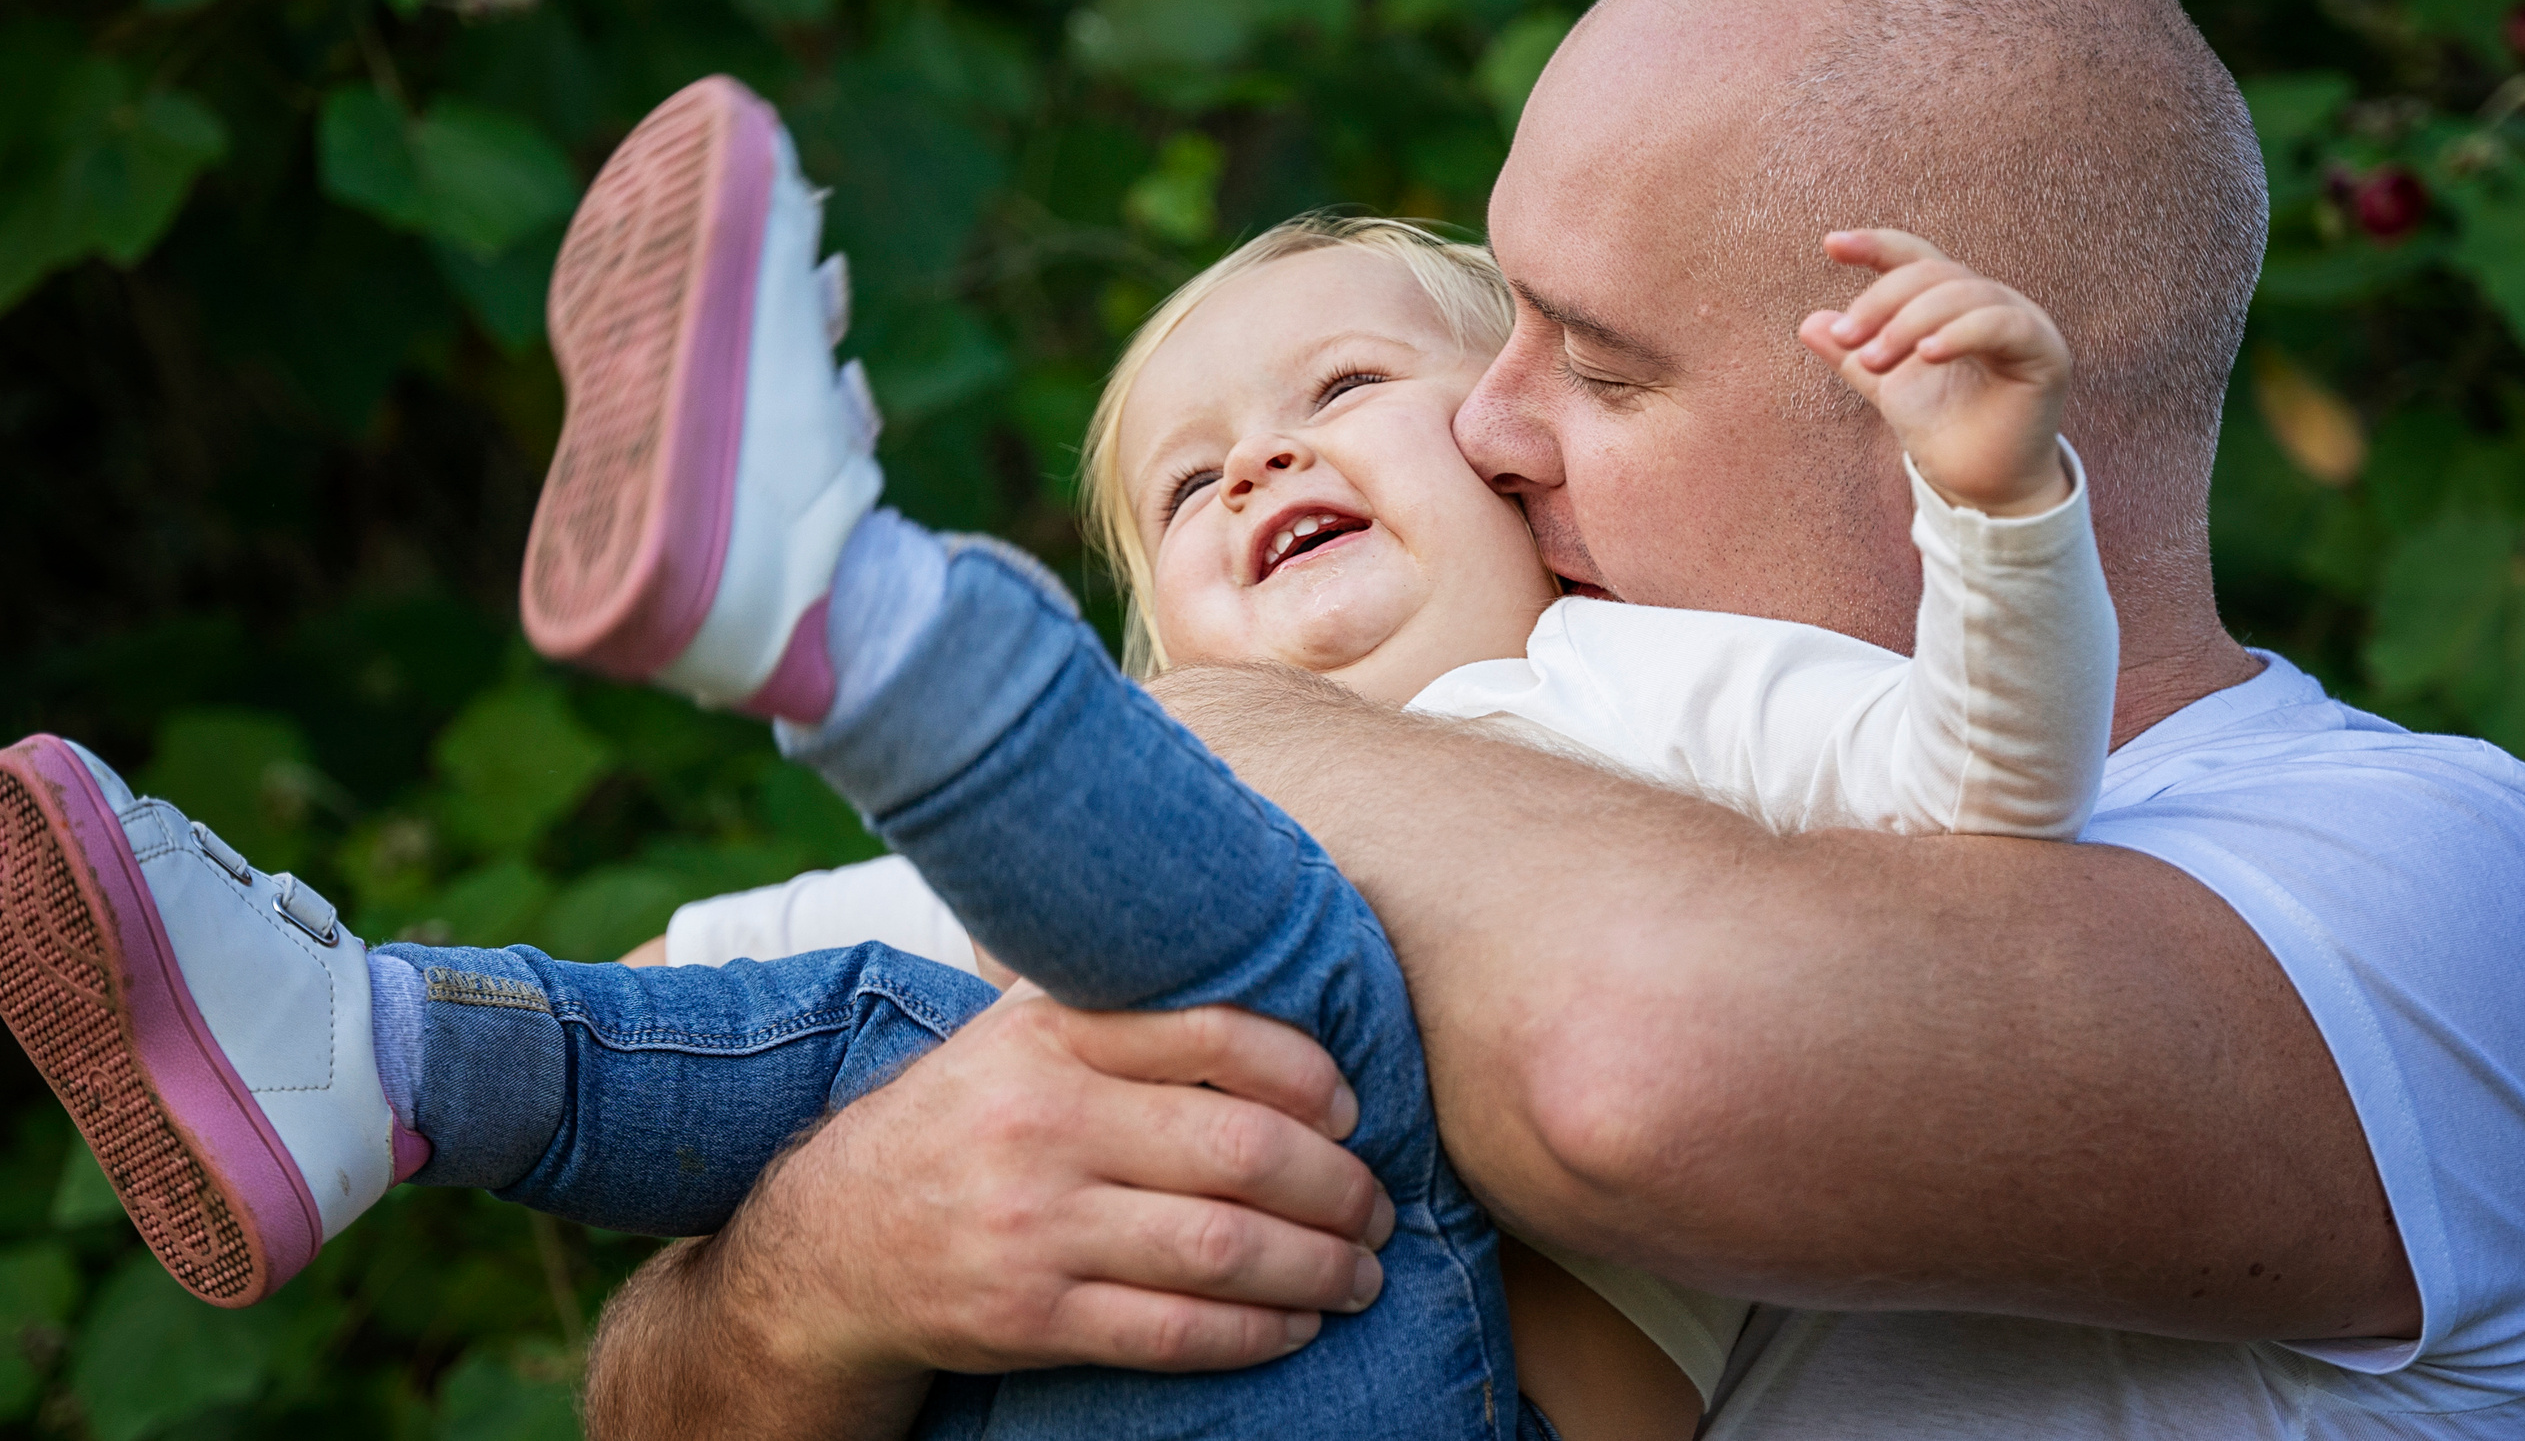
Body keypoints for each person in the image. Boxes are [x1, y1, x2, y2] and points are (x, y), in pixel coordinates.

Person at [579, 0, 2525, 1441]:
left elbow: (1644, 1064)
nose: (1483, 429)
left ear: (1937, 389)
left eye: (1594, 362)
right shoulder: (1549, 780)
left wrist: (1172, 746)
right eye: (1495, 327)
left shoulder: (2446, 885)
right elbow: (656, 1392)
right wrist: (825, 1276)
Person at [1, 74, 2113, 1434]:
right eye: (1187, 481)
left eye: (1346, 381)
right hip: (1079, 1375)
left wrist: (1995, 506)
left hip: (1427, 1384)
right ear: (1153, 645)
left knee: (1271, 968)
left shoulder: (1629, 689)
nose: (1262, 455)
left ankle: (851, 620)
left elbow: (1981, 797)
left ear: (1522, 459)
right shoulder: (1137, 827)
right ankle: (373, 1066)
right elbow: (724, 996)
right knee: (880, 1026)